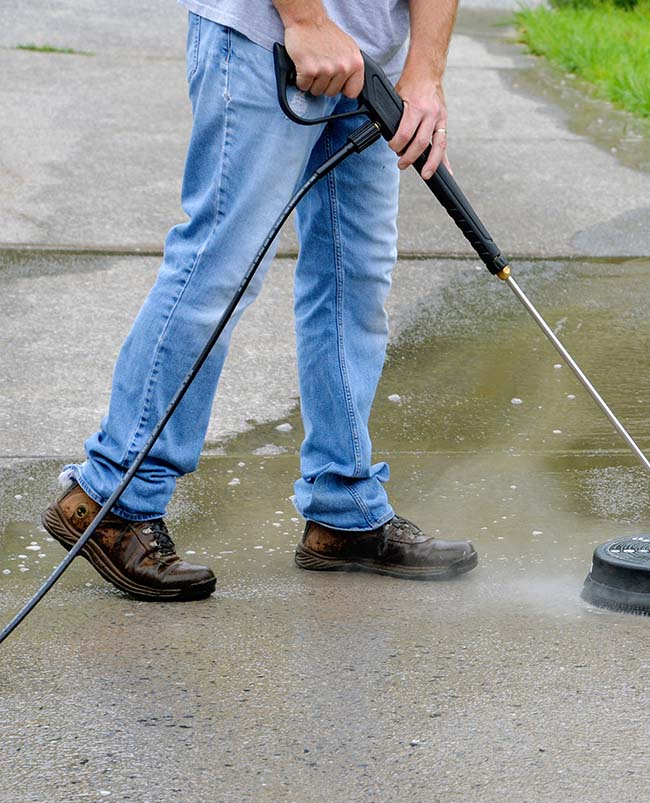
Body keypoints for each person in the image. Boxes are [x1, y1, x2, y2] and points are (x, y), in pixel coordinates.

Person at [41, 0, 477, 601]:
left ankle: (343, 511)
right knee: (221, 267)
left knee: (357, 284)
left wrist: (425, 72)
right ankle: (111, 499)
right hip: (266, 35)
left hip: (376, 59)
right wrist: (304, 19)